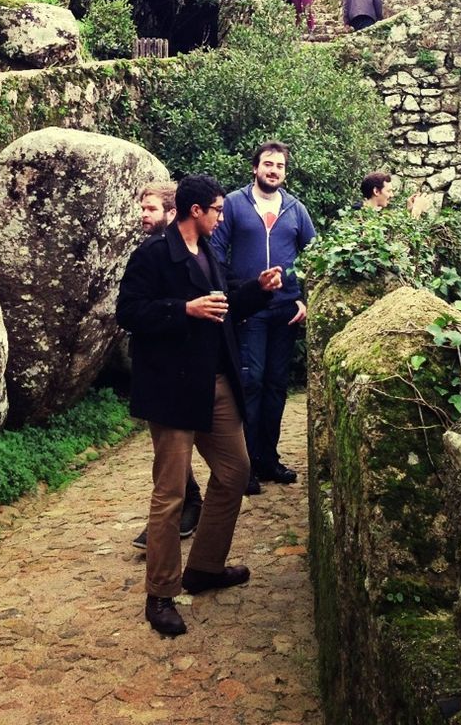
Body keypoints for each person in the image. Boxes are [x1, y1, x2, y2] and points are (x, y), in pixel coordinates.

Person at [117, 174, 282, 637]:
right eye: (217, 209)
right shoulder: (153, 254)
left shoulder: (209, 251)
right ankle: (161, 593)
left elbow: (224, 300)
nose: (222, 216)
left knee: (233, 472)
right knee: (170, 495)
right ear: (195, 211)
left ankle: (205, 567)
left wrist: (258, 288)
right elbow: (128, 312)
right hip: (172, 390)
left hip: (216, 384)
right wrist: (183, 309)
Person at [211, 142, 316, 495]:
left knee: (275, 385)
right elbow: (214, 255)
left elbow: (315, 258)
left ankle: (268, 460)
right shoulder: (235, 204)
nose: (273, 170)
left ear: (285, 172)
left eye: (280, 166)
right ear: (255, 168)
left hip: (286, 310)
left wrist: (304, 300)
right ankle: (245, 465)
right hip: (251, 310)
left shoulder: (296, 209)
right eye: (268, 164)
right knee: (251, 382)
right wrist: (242, 293)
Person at [131, 183, 203, 550]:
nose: (144, 215)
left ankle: (186, 507)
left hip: (184, 369)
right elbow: (131, 309)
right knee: (166, 450)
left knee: (172, 453)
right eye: (143, 208)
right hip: (156, 368)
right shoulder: (150, 252)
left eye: (151, 209)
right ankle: (181, 509)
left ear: (174, 213)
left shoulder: (193, 252)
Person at [354, 171, 433, 217]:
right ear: (376, 191)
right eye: (388, 191)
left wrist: (409, 210)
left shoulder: (378, 214)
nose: (392, 195)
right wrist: (416, 211)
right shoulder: (357, 214)